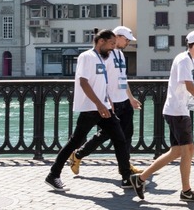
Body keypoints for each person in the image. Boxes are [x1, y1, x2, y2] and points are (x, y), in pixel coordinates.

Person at [130, 29, 194, 202]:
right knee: (187, 150)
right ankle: (186, 191)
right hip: (177, 111)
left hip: (180, 110)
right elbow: (190, 86)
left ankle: (140, 179)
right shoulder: (183, 60)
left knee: (179, 151)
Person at [45, 30, 134, 191]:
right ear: (101, 41)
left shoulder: (102, 58)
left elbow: (103, 82)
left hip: (104, 107)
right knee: (75, 141)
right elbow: (83, 82)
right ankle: (53, 175)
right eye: (111, 44)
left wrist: (108, 100)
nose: (113, 48)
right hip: (90, 108)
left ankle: (126, 177)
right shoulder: (86, 57)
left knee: (120, 139)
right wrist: (99, 104)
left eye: (115, 44)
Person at [69, 26, 143, 176]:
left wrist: (131, 98)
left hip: (124, 100)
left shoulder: (121, 55)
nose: (127, 42)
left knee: (127, 135)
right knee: (105, 134)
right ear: (117, 37)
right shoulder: (106, 55)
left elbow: (123, 78)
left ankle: (126, 165)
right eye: (126, 39)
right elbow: (104, 80)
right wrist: (108, 101)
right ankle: (78, 155)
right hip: (112, 102)